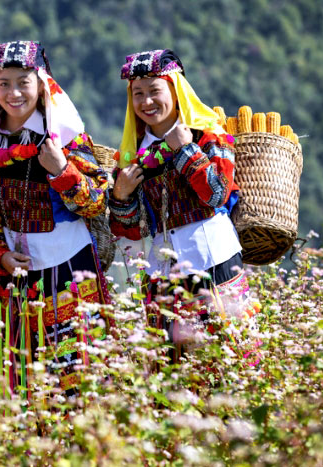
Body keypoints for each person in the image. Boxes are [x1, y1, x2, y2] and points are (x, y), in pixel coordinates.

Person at [0, 40, 111, 397]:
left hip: (69, 270)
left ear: (41, 84)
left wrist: (62, 169)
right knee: (15, 385)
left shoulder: (64, 137)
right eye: (4, 83)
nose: (13, 92)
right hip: (13, 277)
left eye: (23, 82)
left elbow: (96, 202)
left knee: (78, 380)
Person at [109, 49, 258, 363]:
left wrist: (185, 150)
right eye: (138, 94)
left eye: (154, 91)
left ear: (175, 91)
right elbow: (131, 231)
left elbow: (216, 195)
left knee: (231, 357)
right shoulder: (133, 156)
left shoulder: (208, 135)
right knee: (172, 368)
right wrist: (121, 195)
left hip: (213, 259)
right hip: (163, 272)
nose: (146, 102)